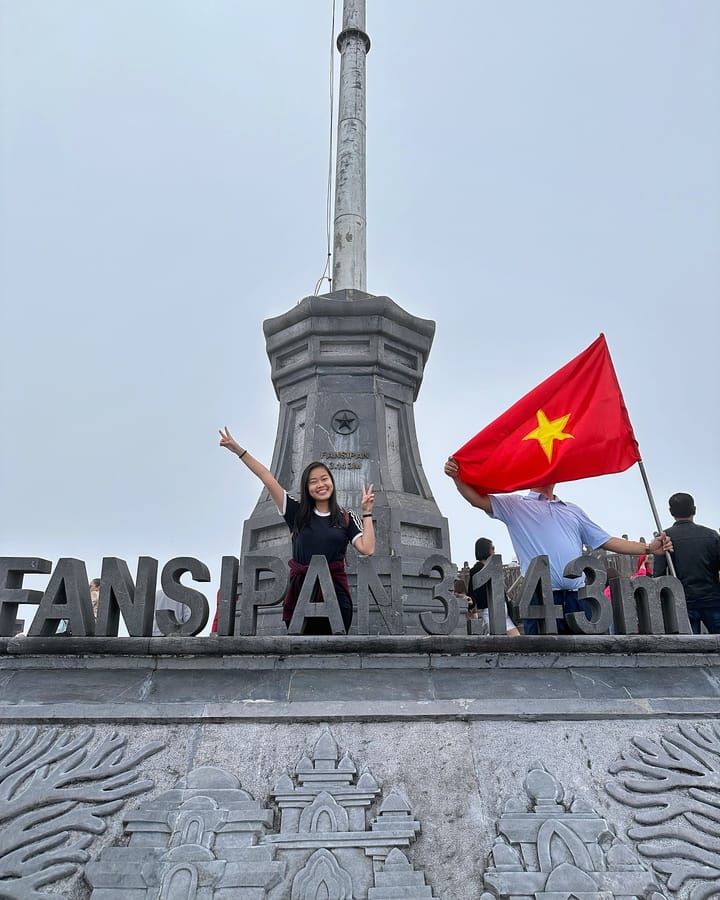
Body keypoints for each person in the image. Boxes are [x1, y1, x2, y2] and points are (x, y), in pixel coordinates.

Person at [444, 457, 672, 634]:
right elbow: (478, 500)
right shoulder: (516, 505)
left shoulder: (572, 510)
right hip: (541, 598)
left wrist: (649, 549)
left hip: (579, 596)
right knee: (544, 661)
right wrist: (457, 479)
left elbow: (607, 541)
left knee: (586, 656)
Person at [219, 426, 375, 633]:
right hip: (300, 594)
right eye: (313, 481)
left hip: (335, 596)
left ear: (332, 483)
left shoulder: (346, 518)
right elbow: (267, 477)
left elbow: (367, 549)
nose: (320, 484)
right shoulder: (296, 513)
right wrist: (238, 450)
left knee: (333, 652)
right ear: (307, 488)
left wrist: (367, 513)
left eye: (324, 479)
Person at [653, 492, 720, 634]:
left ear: (671, 512)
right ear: (694, 509)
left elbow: (658, 575)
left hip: (681, 602)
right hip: (713, 599)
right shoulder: (711, 535)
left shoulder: (664, 538)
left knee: (690, 649)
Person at [453, 538, 520, 635]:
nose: (494, 550)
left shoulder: (494, 568)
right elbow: (473, 592)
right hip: (491, 612)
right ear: (485, 549)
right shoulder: (476, 570)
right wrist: (470, 601)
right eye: (492, 548)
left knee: (516, 640)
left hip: (503, 613)